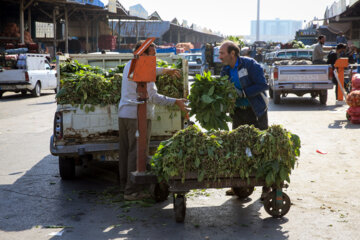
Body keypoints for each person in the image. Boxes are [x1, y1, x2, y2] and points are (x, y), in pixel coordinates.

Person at [118, 40, 187, 201]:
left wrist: (164, 70)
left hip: (124, 115)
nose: (154, 58)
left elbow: (151, 70)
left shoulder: (130, 64)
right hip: (137, 116)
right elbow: (154, 97)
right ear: (142, 54)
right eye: (152, 54)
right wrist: (175, 101)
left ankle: (124, 185)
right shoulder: (143, 69)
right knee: (137, 153)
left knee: (126, 152)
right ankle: (131, 191)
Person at [218, 41, 269, 199]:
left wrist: (244, 93)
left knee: (260, 147)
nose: (219, 56)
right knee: (238, 147)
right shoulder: (225, 70)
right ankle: (238, 185)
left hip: (255, 111)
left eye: (222, 53)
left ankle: (266, 187)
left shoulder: (249, 65)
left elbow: (262, 85)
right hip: (238, 113)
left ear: (232, 54)